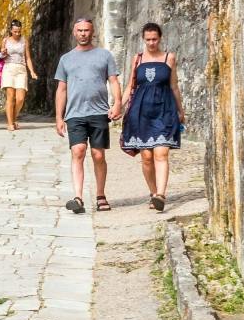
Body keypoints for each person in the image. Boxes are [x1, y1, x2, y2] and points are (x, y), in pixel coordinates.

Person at [53, 15, 121, 215]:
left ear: (93, 32)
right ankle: (78, 197)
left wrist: (117, 103)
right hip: (75, 114)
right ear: (74, 33)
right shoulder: (66, 59)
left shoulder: (104, 56)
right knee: (78, 151)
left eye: (86, 30)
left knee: (98, 155)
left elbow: (114, 81)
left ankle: (100, 195)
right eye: (80, 30)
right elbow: (61, 89)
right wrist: (59, 117)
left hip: (99, 112)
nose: (83, 34)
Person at [120, 20, 184, 210]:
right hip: (140, 113)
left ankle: (161, 195)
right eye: (148, 39)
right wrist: (118, 106)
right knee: (146, 157)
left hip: (164, 110)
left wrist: (181, 110)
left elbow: (174, 86)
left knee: (161, 153)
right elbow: (131, 86)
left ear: (160, 38)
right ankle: (153, 193)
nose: (151, 43)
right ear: (143, 39)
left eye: (154, 39)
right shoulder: (137, 59)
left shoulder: (169, 58)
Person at [0, 21, 36, 130]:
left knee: (20, 98)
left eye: (19, 31)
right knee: (10, 97)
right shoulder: (5, 40)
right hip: (9, 68)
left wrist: (32, 71)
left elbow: (28, 57)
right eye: (15, 31)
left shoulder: (24, 41)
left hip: (21, 69)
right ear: (11, 30)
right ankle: (10, 123)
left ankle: (13, 118)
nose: (17, 33)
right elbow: (2, 56)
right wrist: (3, 52)